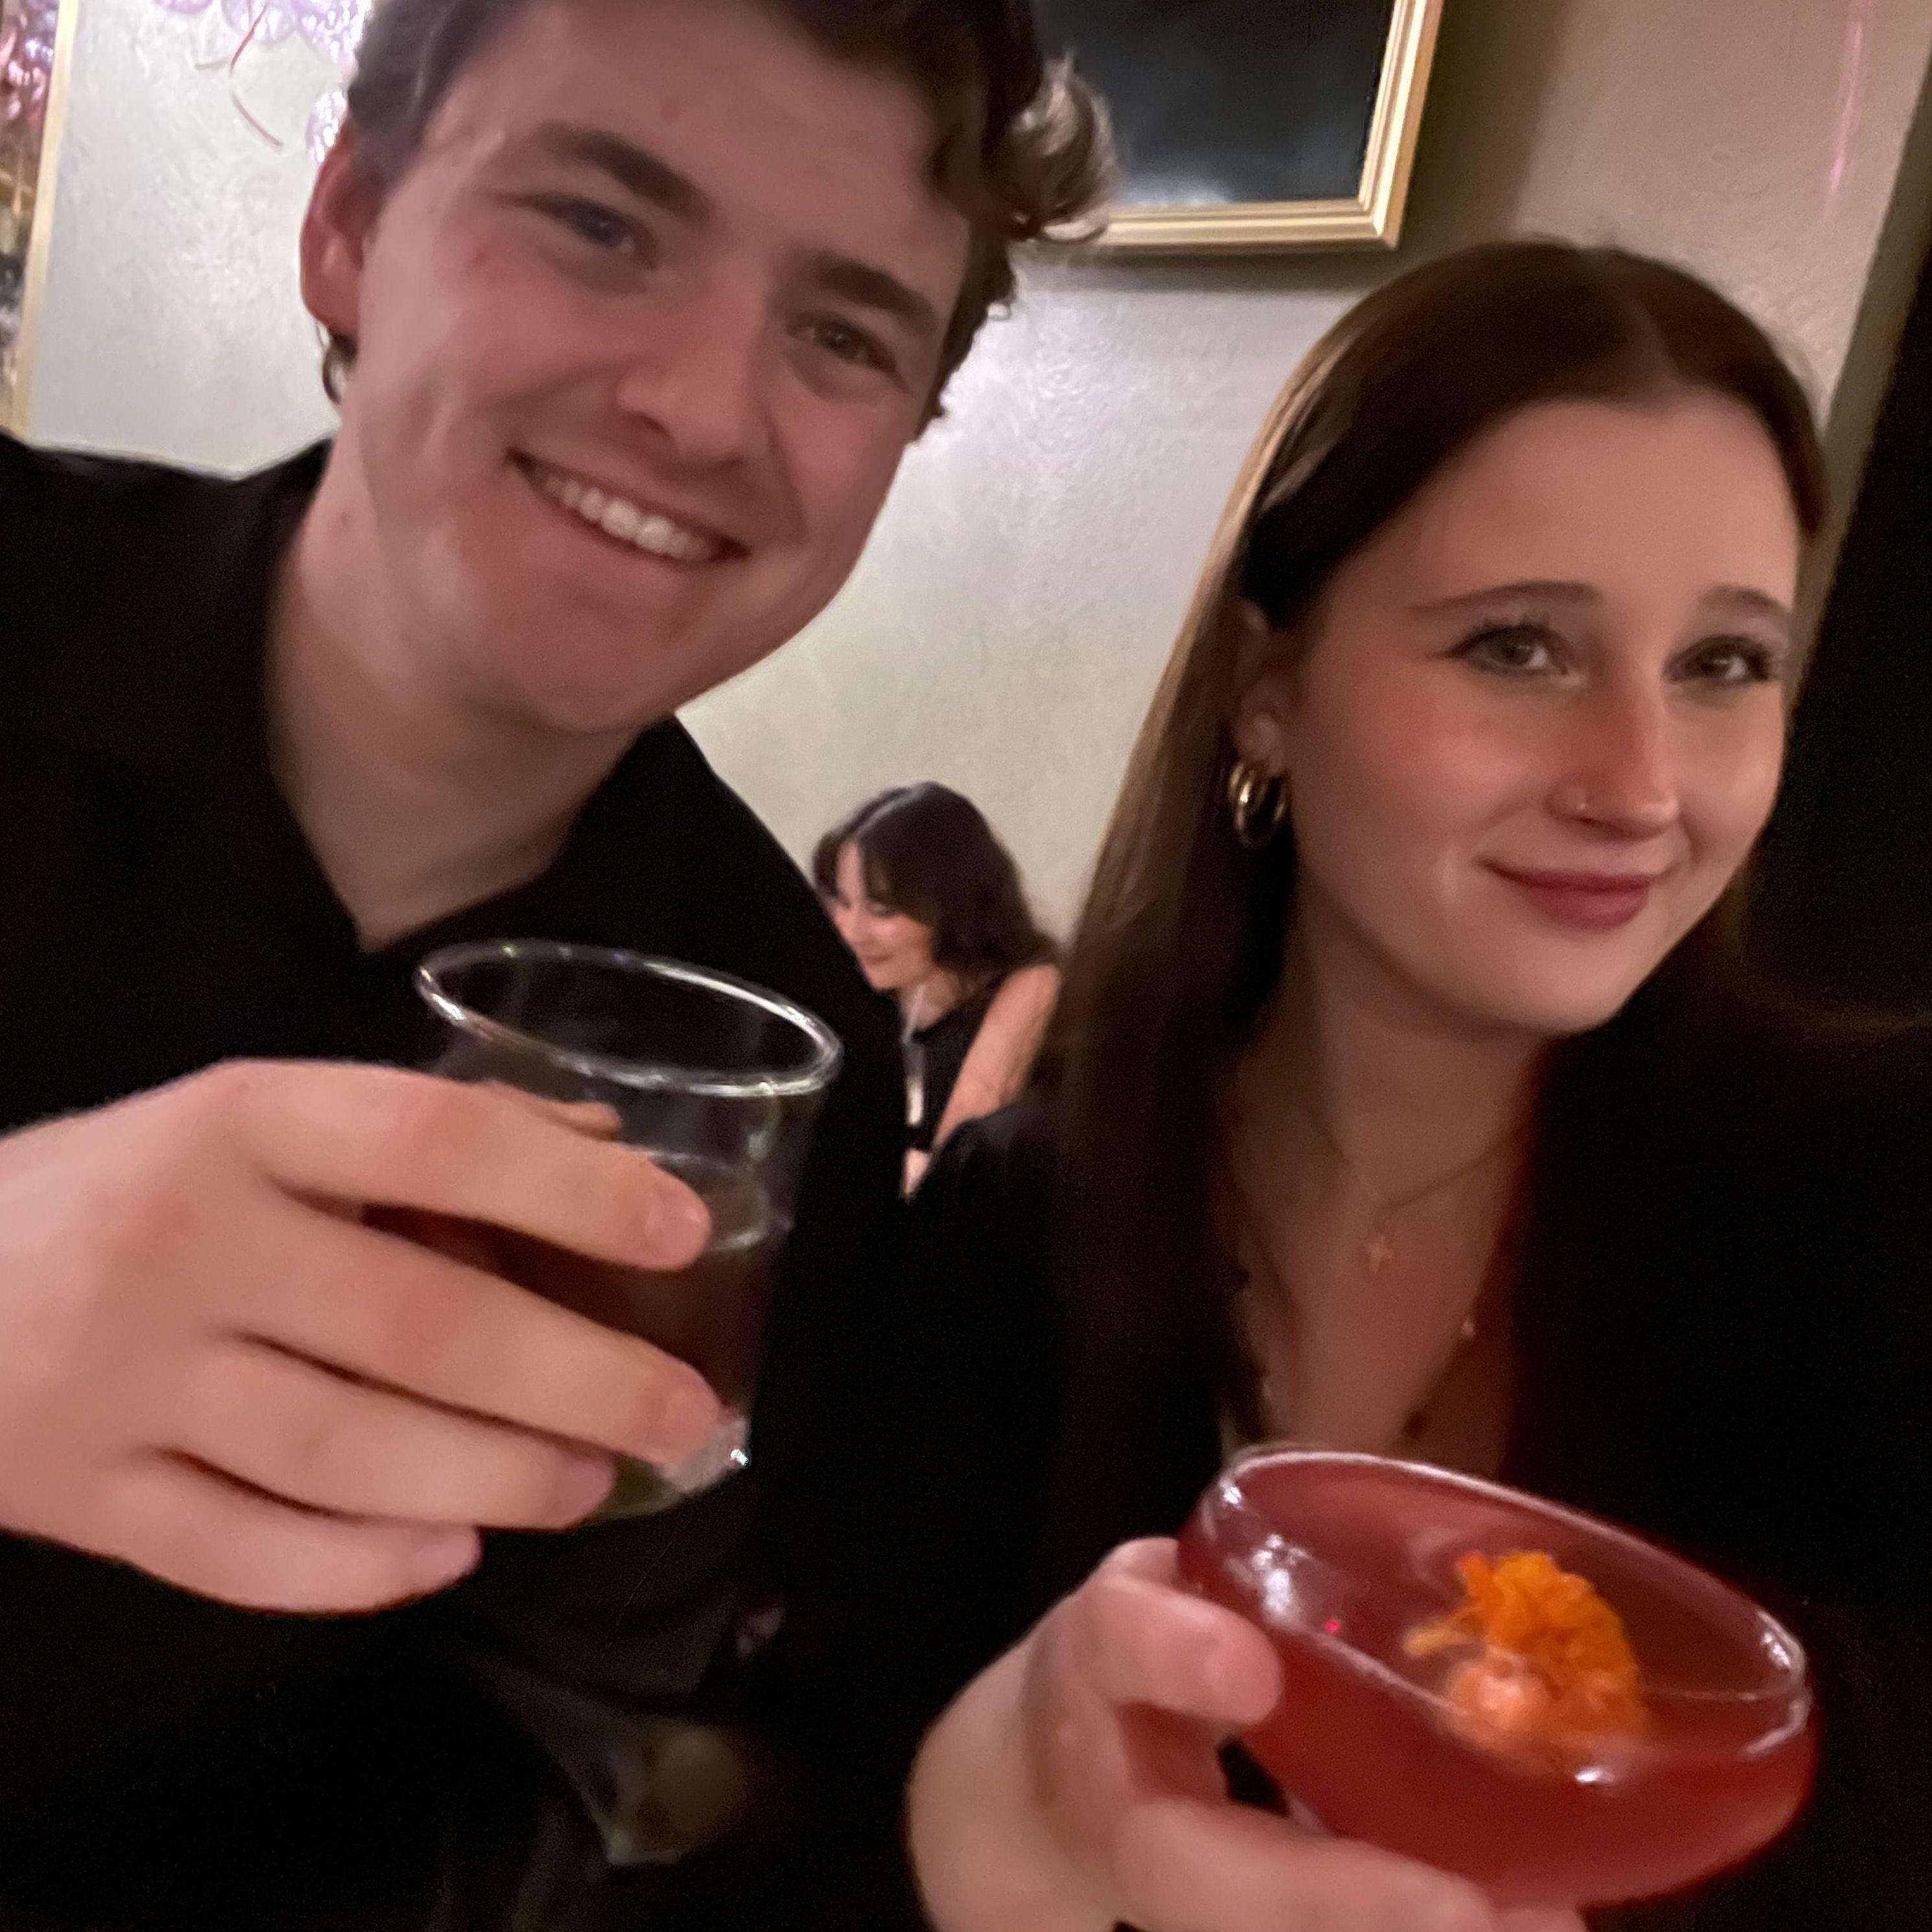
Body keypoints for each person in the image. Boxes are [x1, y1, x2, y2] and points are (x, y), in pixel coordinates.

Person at [0, 1, 1109, 1926]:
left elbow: (546, 1757)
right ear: (351, 223)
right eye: (601, 224)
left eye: (843, 336)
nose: (702, 407)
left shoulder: (786, 1065)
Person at [833, 242, 1932, 1931]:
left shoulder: (1877, 1197)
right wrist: (975, 1841)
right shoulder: (1013, 1233)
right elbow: (805, 1808)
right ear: (1265, 691)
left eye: (1722, 664)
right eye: (1517, 647)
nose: (1640, 785)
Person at [815, 782, 1060, 1188]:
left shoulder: (1031, 984)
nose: (850, 931)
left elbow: (954, 1161)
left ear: (953, 907)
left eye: (882, 910)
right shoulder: (866, 985)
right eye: (842, 902)